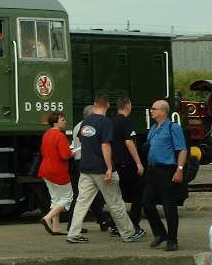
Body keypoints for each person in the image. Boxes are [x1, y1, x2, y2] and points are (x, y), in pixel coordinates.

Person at [66, 95, 145, 244]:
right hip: (101, 169)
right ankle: (128, 233)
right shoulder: (105, 122)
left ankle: (73, 233)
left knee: (82, 202)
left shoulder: (86, 122)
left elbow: (82, 140)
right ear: (107, 105)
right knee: (115, 202)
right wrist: (109, 167)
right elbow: (105, 145)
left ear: (95, 104)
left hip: (85, 168)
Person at [142, 99, 187, 252]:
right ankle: (161, 234)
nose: (151, 111)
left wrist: (179, 169)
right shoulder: (154, 128)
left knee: (169, 207)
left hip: (167, 171)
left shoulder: (173, 127)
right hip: (152, 171)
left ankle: (172, 239)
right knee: (146, 203)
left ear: (163, 111)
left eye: (154, 108)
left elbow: (182, 149)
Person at [67, 105, 112, 233]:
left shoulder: (78, 126)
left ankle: (102, 219)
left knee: (89, 195)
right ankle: (102, 220)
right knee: (84, 196)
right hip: (88, 161)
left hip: (80, 161)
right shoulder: (88, 127)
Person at [111, 97, 144, 236]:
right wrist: (138, 162)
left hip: (116, 164)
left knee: (118, 196)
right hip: (127, 163)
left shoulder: (111, 121)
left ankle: (115, 226)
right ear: (127, 106)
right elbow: (129, 142)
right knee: (138, 194)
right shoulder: (126, 121)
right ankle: (134, 224)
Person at [38, 111, 74, 235]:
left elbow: (43, 152)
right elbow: (65, 155)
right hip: (58, 171)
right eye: (63, 120)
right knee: (68, 198)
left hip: (45, 169)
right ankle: (47, 217)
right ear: (56, 122)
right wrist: (72, 153)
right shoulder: (60, 135)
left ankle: (56, 227)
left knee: (56, 199)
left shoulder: (46, 134)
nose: (65, 122)